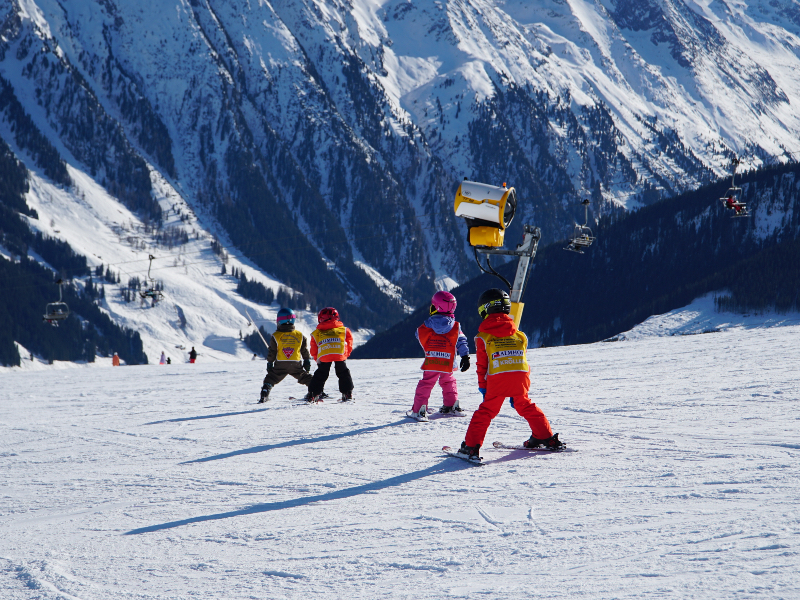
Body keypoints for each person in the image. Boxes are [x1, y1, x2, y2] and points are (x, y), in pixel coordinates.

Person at [456, 288, 563, 461]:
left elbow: (482, 366)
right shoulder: (520, 335)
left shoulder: (483, 337)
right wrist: (522, 385)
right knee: (525, 405)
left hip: (497, 380)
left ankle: (471, 446)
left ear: (485, 309)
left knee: (486, 411)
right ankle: (545, 436)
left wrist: (483, 388)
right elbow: (520, 360)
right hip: (520, 378)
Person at [407, 291, 470, 421]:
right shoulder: (456, 326)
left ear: (436, 306)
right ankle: (451, 405)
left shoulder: (427, 324)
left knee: (426, 384)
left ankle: (418, 410)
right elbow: (462, 341)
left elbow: (418, 334)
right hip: (448, 361)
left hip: (432, 360)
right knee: (448, 381)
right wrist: (465, 356)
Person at [259, 307, 313, 403]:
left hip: (281, 364)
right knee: (305, 377)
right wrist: (307, 361)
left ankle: (265, 393)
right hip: (296, 363)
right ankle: (314, 391)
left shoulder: (275, 336)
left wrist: (270, 363)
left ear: (279, 321)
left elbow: (272, 352)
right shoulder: (300, 335)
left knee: (271, 378)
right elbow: (304, 350)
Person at [307, 307, 354, 402]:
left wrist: (317, 359)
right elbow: (349, 342)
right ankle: (347, 393)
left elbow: (313, 347)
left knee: (321, 374)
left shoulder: (317, 333)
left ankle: (313, 394)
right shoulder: (344, 330)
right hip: (339, 354)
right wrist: (346, 355)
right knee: (343, 373)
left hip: (324, 355)